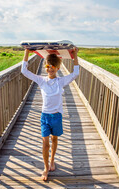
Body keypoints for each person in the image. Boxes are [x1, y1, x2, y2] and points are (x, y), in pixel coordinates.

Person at [21, 48, 79, 181]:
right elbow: (24, 71)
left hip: (57, 116)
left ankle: (52, 160)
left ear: (58, 67)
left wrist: (75, 55)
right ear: (45, 66)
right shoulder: (42, 81)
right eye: (47, 66)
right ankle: (46, 168)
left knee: (54, 140)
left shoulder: (61, 82)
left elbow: (76, 73)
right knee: (45, 143)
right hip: (45, 117)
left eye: (53, 66)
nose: (50, 69)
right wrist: (26, 52)